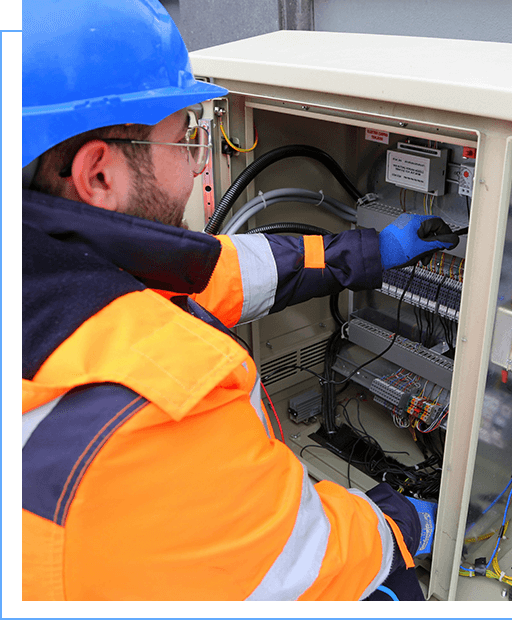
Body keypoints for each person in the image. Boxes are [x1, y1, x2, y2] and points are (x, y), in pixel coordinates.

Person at [22, 0, 459, 601]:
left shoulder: (62, 264)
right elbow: (308, 561)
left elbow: (223, 271)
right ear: (99, 175)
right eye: (185, 144)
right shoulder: (158, 405)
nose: (199, 166)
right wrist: (403, 525)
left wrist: (370, 252)